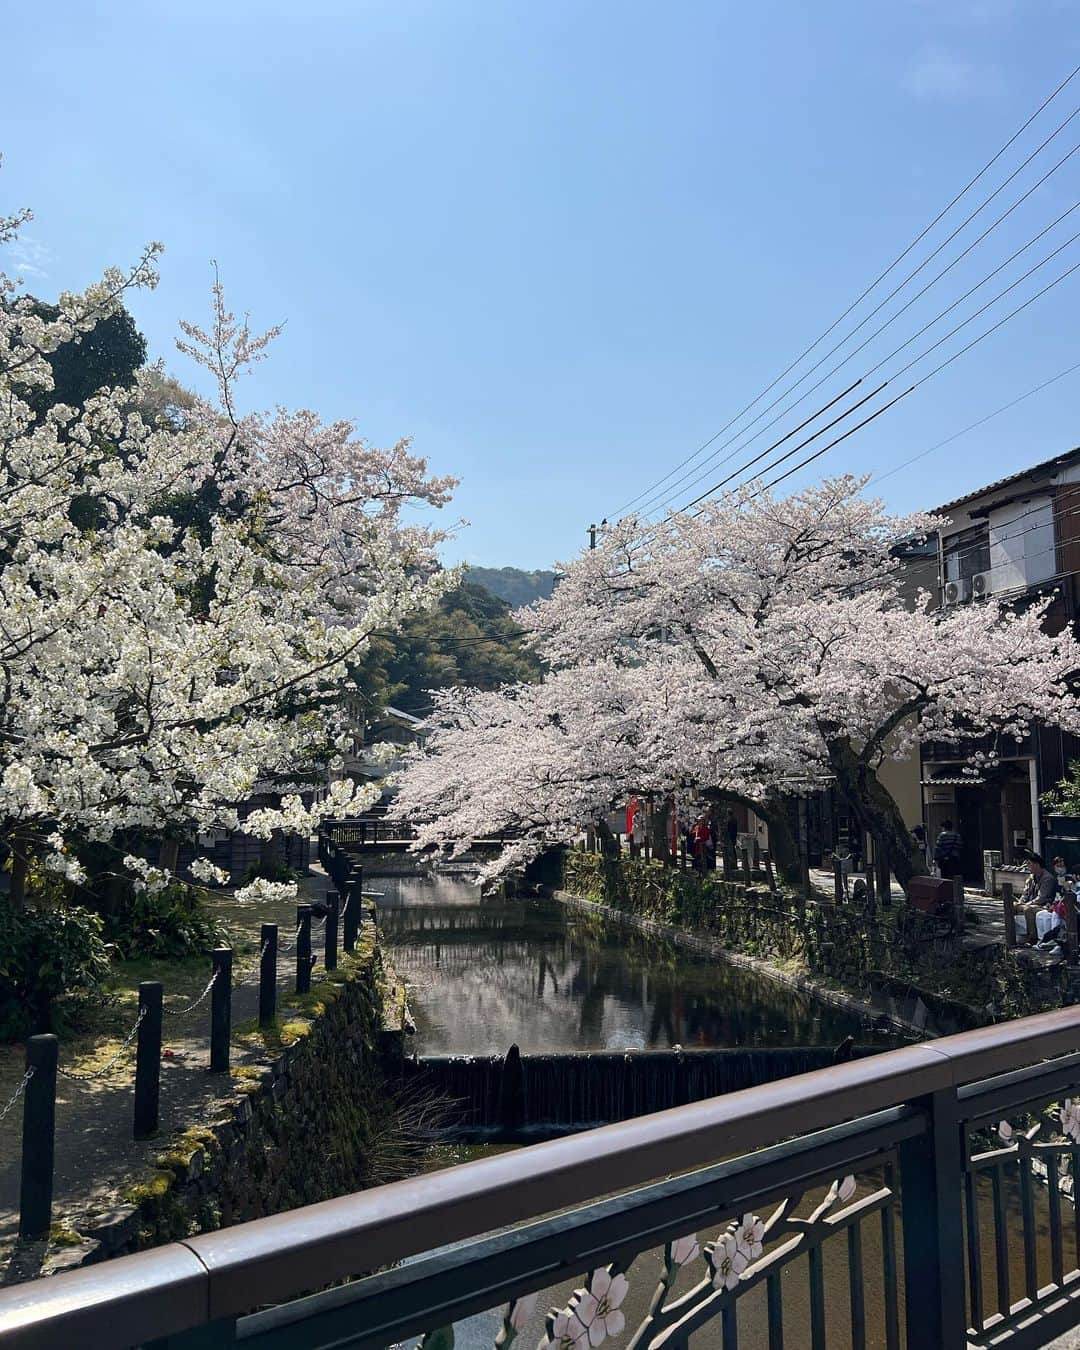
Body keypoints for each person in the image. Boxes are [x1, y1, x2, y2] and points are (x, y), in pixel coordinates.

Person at [1015, 853, 1059, 944]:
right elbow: (1025, 894)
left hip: (1044, 905)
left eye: (1029, 863)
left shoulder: (1048, 878)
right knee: (1012, 905)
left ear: (1037, 864)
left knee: (1028, 909)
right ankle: (1014, 934)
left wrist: (1027, 904)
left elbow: (1042, 898)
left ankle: (1033, 937)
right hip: (1030, 903)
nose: (1027, 866)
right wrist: (1021, 902)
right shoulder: (1031, 878)